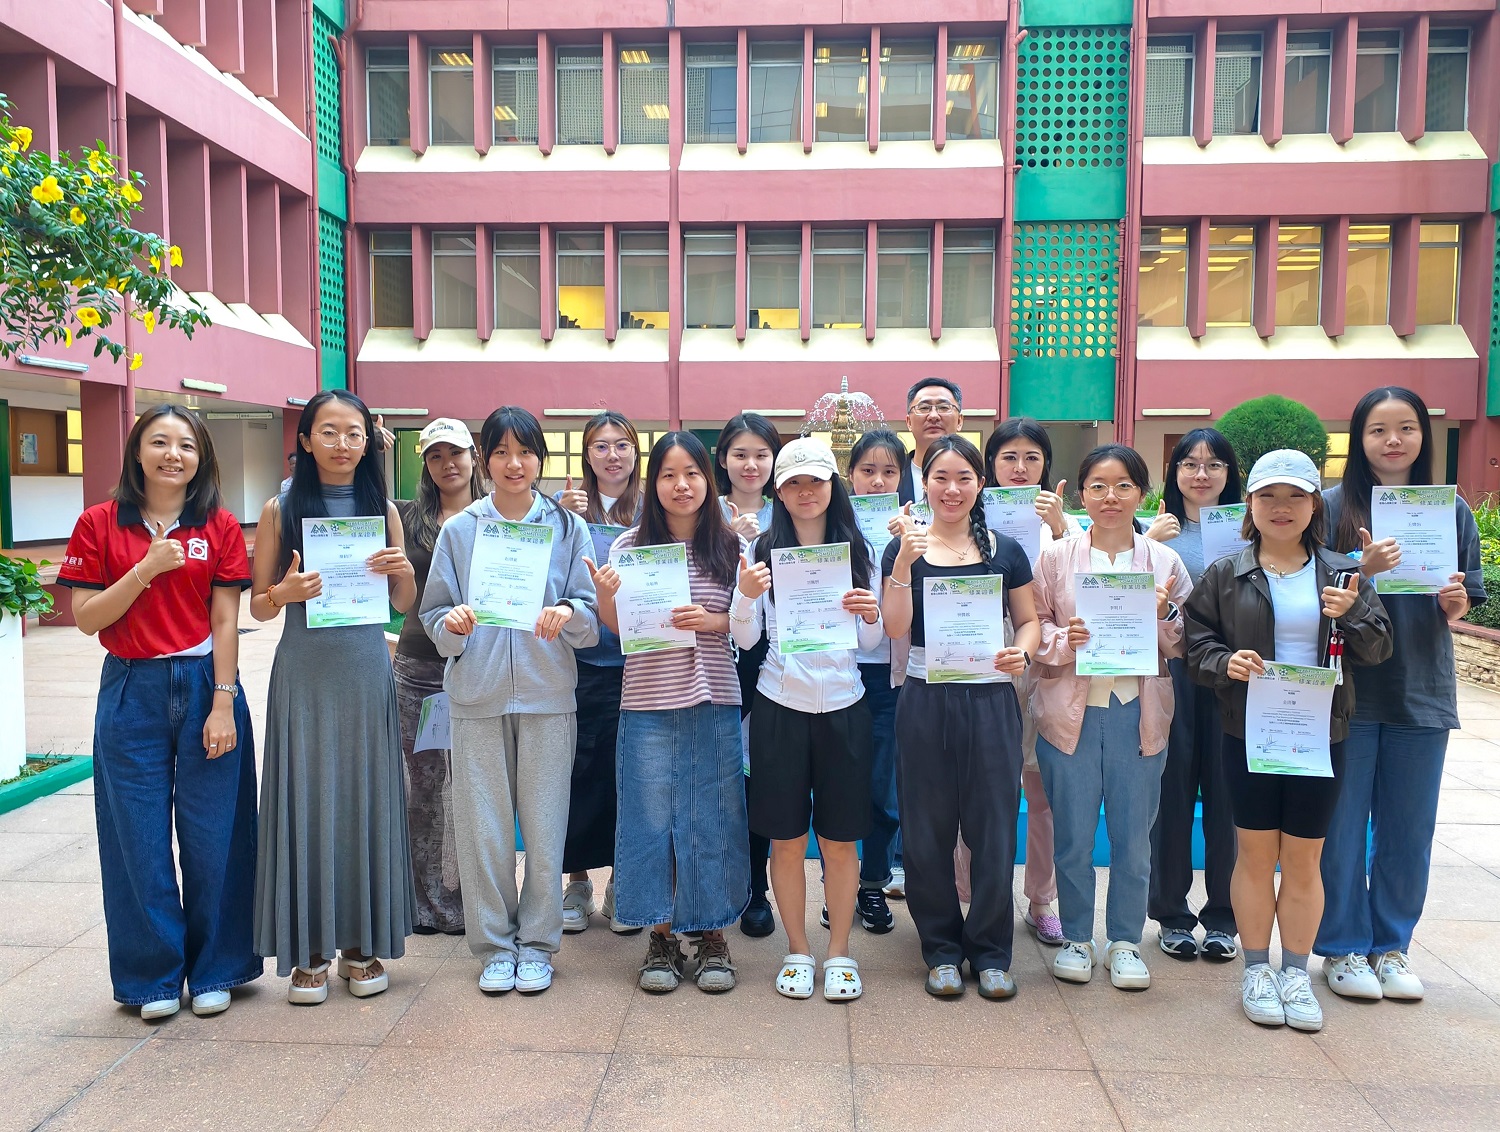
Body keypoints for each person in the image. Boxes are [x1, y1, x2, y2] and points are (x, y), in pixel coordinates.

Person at [58, 404, 259, 1021]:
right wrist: (145, 569)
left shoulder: (219, 524)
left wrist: (223, 701)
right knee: (137, 837)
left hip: (205, 684)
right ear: (137, 452)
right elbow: (87, 618)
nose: (174, 455)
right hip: (131, 688)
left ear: (202, 458)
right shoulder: (100, 523)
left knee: (216, 834)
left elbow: (225, 619)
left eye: (187, 445)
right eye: (160, 442)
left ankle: (217, 969)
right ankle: (152, 977)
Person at [1184, 449, 1391, 1031]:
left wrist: (1354, 612)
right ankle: (1256, 970)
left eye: (1296, 496)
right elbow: (1195, 644)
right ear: (1250, 504)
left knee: (1304, 857)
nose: (1282, 507)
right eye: (1268, 496)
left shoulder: (1343, 573)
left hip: (1321, 734)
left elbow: (1379, 648)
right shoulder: (1226, 573)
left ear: (1314, 505)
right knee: (1254, 854)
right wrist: (1226, 662)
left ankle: (1295, 973)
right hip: (1249, 731)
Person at [419, 407, 599, 995]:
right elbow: (432, 617)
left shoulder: (568, 528)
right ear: (486, 460)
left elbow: (590, 615)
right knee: (485, 831)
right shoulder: (461, 530)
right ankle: (496, 946)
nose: (514, 464)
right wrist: (454, 625)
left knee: (545, 829)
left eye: (525, 452)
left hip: (548, 695)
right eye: (501, 452)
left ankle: (539, 944)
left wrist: (567, 613)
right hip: (478, 696)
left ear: (540, 459)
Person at [1315, 387, 1485, 1001]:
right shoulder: (1330, 506)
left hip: (1421, 689)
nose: (1393, 440)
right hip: (1349, 691)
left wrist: (1456, 604)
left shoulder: (1450, 510)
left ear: (1423, 436)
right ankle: (1342, 947)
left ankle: (1391, 946)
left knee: (1408, 830)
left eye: (1406, 428)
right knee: (1339, 828)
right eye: (1378, 429)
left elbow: (1465, 598)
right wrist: (1360, 568)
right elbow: (1309, 588)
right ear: (1358, 439)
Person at [251, 389, 417, 1005]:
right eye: (328, 432)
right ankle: (310, 949)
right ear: (305, 440)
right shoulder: (280, 508)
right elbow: (257, 606)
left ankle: (360, 944)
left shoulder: (383, 509)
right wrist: (284, 592)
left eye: (354, 433)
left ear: (369, 441)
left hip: (366, 668)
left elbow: (403, 604)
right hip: (305, 672)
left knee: (364, 798)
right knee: (307, 798)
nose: (342, 444)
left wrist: (403, 572)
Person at [588, 432, 749, 993]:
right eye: (668, 475)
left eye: (692, 474)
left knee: (712, 819)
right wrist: (605, 594)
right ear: (652, 483)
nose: (681, 485)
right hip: (647, 702)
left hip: (713, 698)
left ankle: (712, 936)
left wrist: (713, 621)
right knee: (649, 821)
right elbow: (617, 627)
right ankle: (660, 936)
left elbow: (751, 625)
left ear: (708, 479)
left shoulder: (731, 546)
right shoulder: (629, 546)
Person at [882, 436, 1040, 999]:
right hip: (925, 696)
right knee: (926, 831)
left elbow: (1028, 620)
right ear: (924, 482)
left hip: (990, 699)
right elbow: (895, 627)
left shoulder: (1004, 549)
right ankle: (942, 948)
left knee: (993, 829)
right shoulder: (904, 547)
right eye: (940, 478)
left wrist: (1022, 651)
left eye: (964, 478)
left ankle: (992, 951)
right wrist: (904, 562)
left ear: (980, 484)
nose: (952, 489)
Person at [1030, 445, 1192, 992]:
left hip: (1137, 713)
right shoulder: (1056, 558)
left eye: (1123, 485)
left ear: (1141, 493)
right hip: (1069, 714)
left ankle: (1124, 940)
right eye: (1097, 486)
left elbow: (1185, 641)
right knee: (1073, 836)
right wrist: (1064, 638)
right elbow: (1034, 625)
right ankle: (1077, 937)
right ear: (1082, 493)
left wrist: (1163, 614)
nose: (1110, 497)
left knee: (1134, 838)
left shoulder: (1164, 562)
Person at [731, 437, 883, 1001]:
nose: (805, 492)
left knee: (840, 841)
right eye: (793, 483)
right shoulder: (761, 549)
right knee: (787, 839)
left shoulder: (858, 549)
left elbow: (870, 643)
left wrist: (870, 614)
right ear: (778, 491)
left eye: (815, 481)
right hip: (779, 705)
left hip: (845, 703)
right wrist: (744, 596)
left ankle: (839, 952)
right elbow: (746, 637)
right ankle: (797, 949)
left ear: (831, 485)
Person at [961, 417, 1084, 947]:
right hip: (981, 662)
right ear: (990, 465)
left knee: (1042, 792)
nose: (1019, 467)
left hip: (1047, 664)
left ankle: (1041, 900)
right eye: (1008, 457)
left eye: (1031, 458)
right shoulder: (966, 514)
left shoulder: (1068, 526)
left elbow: (1088, 594)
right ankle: (966, 896)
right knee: (975, 791)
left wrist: (1059, 529)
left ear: (1045, 466)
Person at [1146, 429, 1243, 962]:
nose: (1201, 474)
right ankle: (1172, 914)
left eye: (1214, 464)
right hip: (1176, 671)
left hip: (1235, 675)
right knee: (1172, 793)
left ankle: (1225, 917)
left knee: (1228, 798)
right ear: (1175, 471)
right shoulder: (1153, 530)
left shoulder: (1250, 531)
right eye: (1189, 463)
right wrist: (1150, 541)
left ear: (1230, 473)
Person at [394, 418, 486, 936]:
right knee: (424, 788)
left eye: (456, 453)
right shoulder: (407, 518)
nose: (448, 464)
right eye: (435, 456)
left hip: (481, 667)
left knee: (477, 788)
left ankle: (473, 897)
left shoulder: (496, 516)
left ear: (474, 456)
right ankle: (424, 899)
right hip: (419, 669)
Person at [555, 410, 645, 934]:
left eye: (622, 445)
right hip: (581, 663)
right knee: (579, 772)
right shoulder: (564, 510)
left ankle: (622, 881)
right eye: (601, 446)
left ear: (636, 453)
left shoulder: (653, 510)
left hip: (639, 663)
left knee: (630, 775)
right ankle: (577, 882)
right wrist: (559, 521)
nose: (612, 455)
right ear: (587, 455)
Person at [714, 413, 783, 938]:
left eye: (762, 454)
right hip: (715, 661)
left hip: (773, 663)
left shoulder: (794, 509)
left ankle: (757, 892)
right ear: (723, 459)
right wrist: (727, 540)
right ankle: (721, 887)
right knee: (720, 781)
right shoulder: (703, 510)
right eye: (741, 454)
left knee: (759, 779)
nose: (751, 464)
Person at [846, 429, 906, 923]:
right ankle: (838, 885)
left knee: (883, 790)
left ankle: (872, 883)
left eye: (888, 471)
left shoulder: (917, 526)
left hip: (889, 673)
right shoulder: (828, 523)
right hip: (839, 670)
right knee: (840, 786)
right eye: (867, 471)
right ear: (850, 475)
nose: (877, 481)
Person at [897, 378, 965, 505]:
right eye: (924, 408)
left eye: (944, 407)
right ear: (909, 422)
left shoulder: (975, 476)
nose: (933, 416)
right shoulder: (891, 475)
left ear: (959, 421)